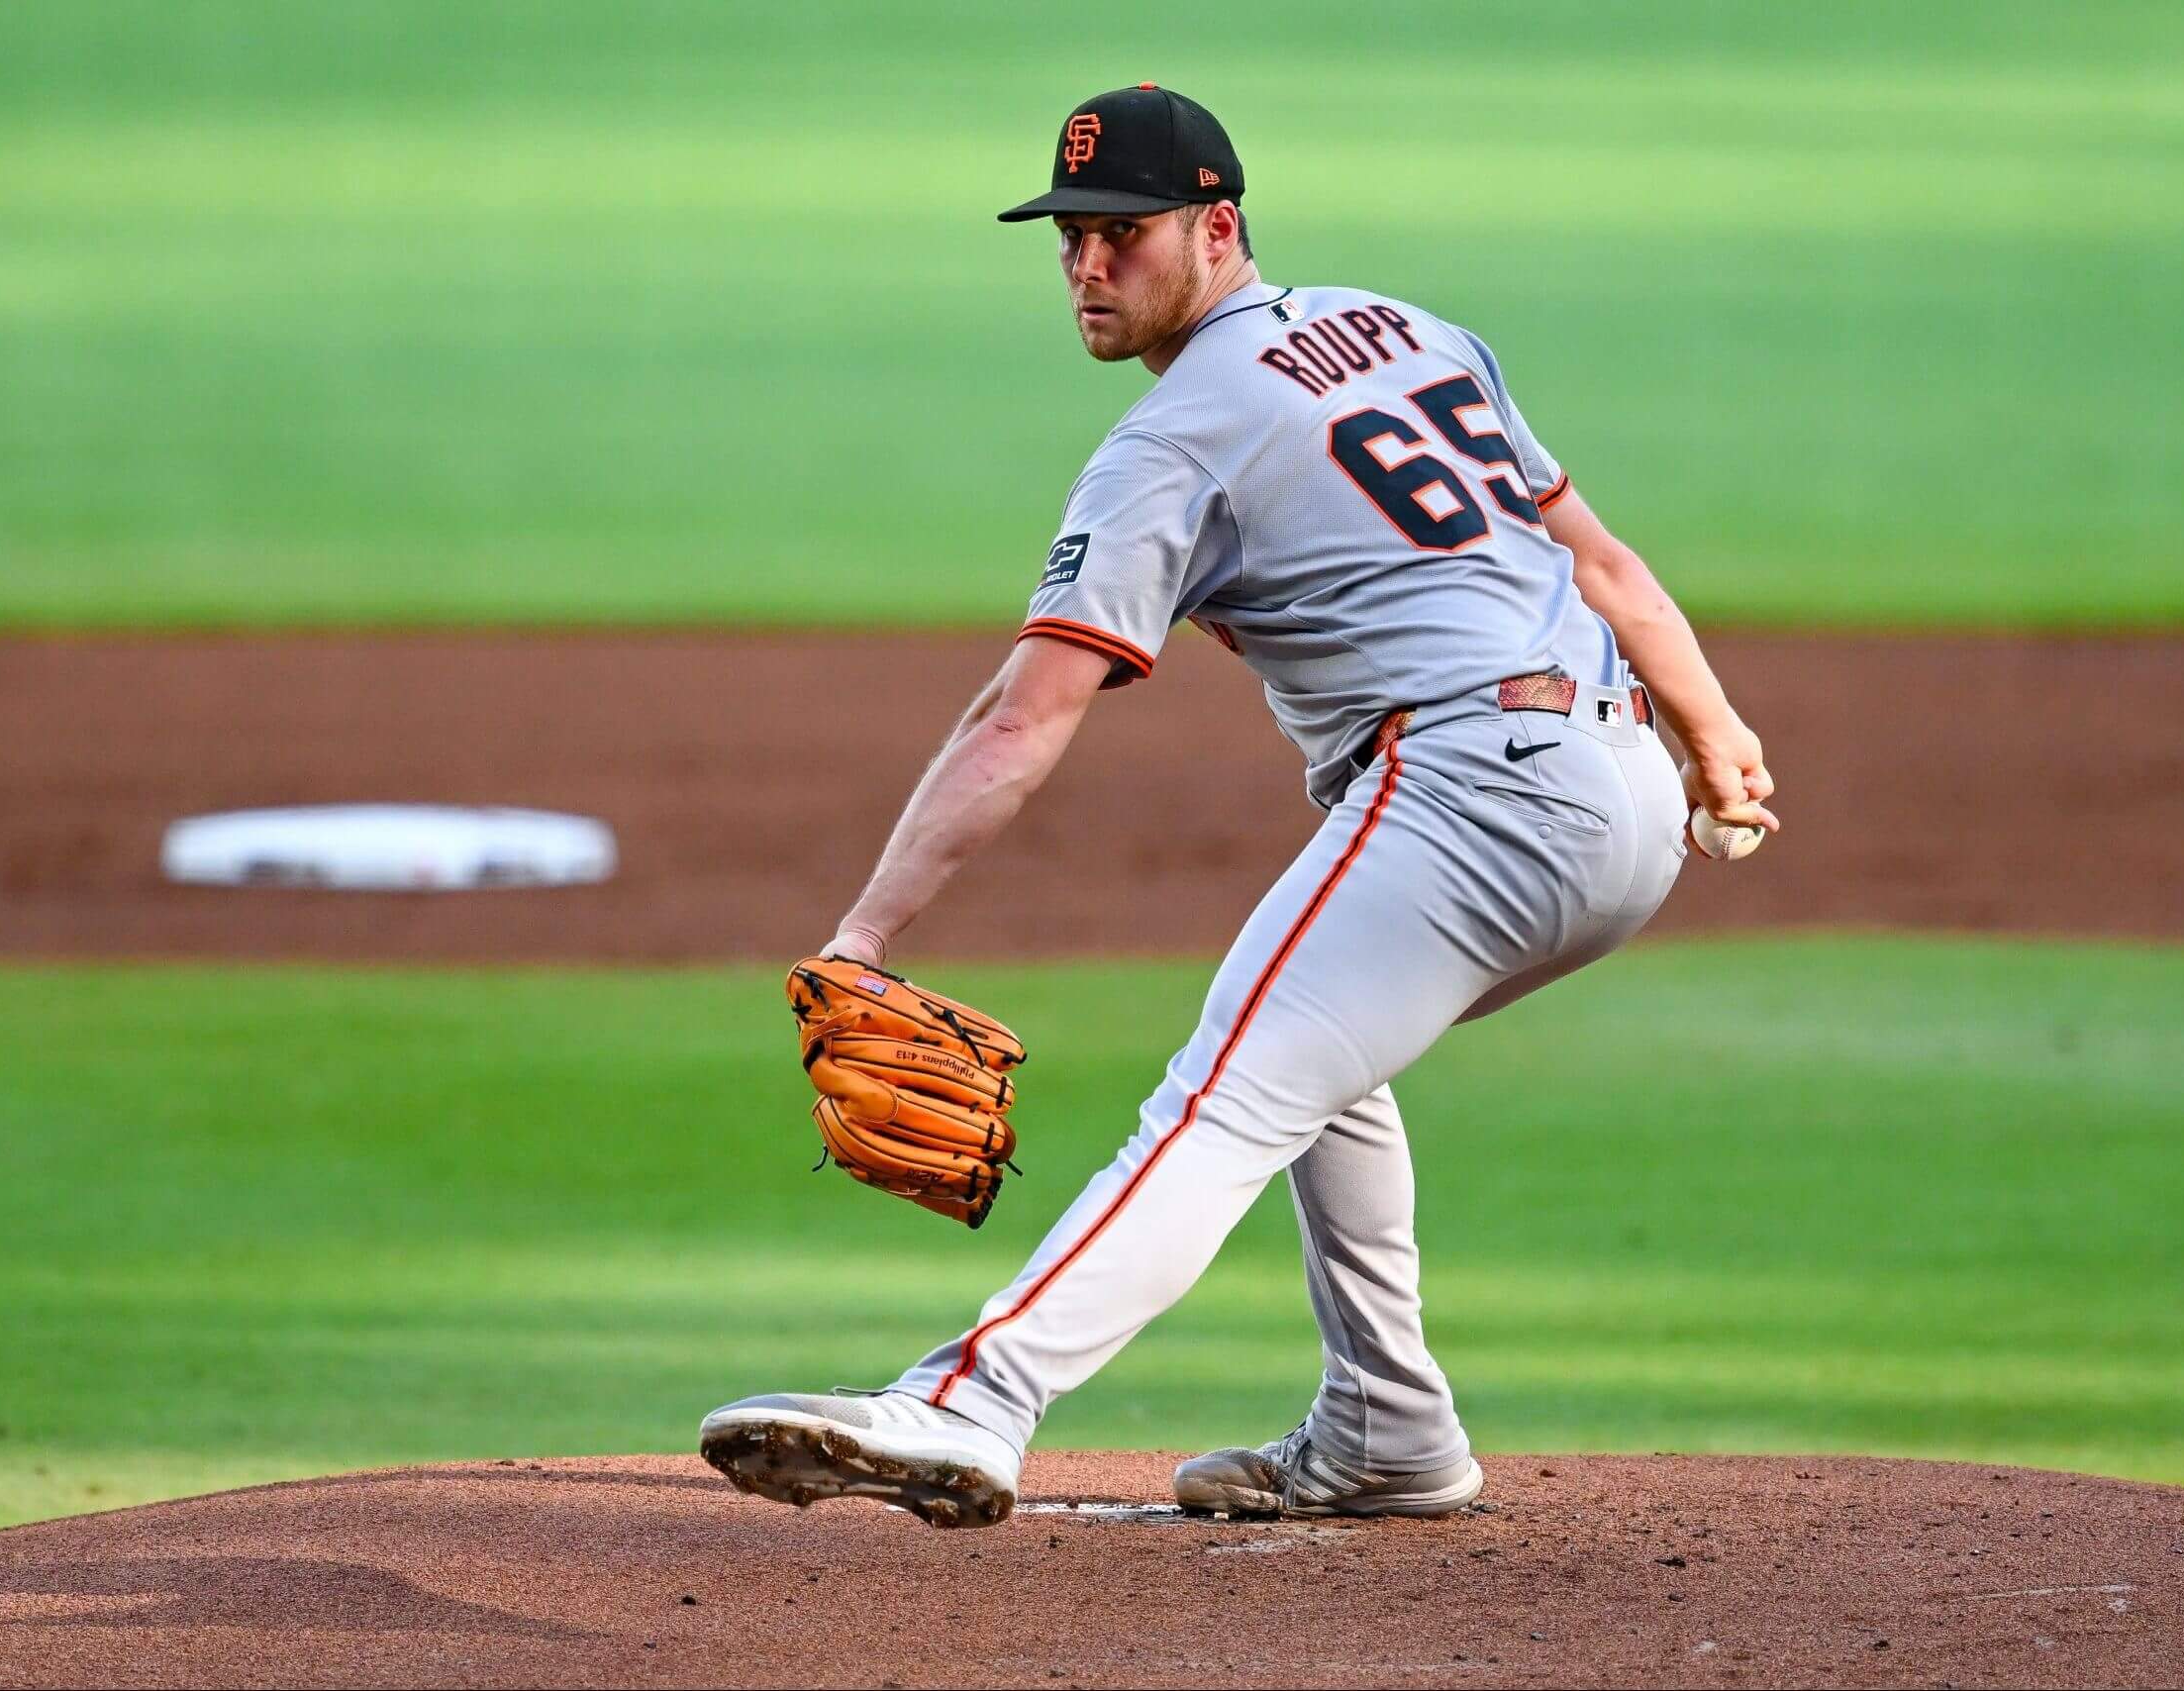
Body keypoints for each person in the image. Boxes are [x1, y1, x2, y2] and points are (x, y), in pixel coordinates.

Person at [699, 83, 1777, 1528]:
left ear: (1219, 226)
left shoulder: (1177, 435)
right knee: (1323, 1060)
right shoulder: (1411, 333)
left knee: (1218, 1101)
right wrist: (1718, 747)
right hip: (1623, 801)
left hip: (1473, 799)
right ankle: (1390, 1427)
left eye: (1123, 235)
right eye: (1069, 236)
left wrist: (866, 931)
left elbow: (1021, 716)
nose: (1089, 267)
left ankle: (974, 1399)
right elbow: (1606, 567)